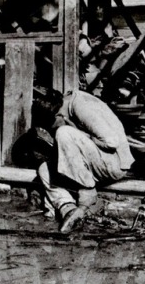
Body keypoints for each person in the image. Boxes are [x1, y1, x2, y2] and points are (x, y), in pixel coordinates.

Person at [32, 88, 134, 233]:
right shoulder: (67, 104)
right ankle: (67, 208)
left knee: (64, 133)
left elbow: (111, 142)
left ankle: (88, 192)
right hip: (99, 160)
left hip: (115, 164)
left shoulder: (81, 105)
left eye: (52, 124)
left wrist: (77, 132)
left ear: (59, 115)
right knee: (44, 169)